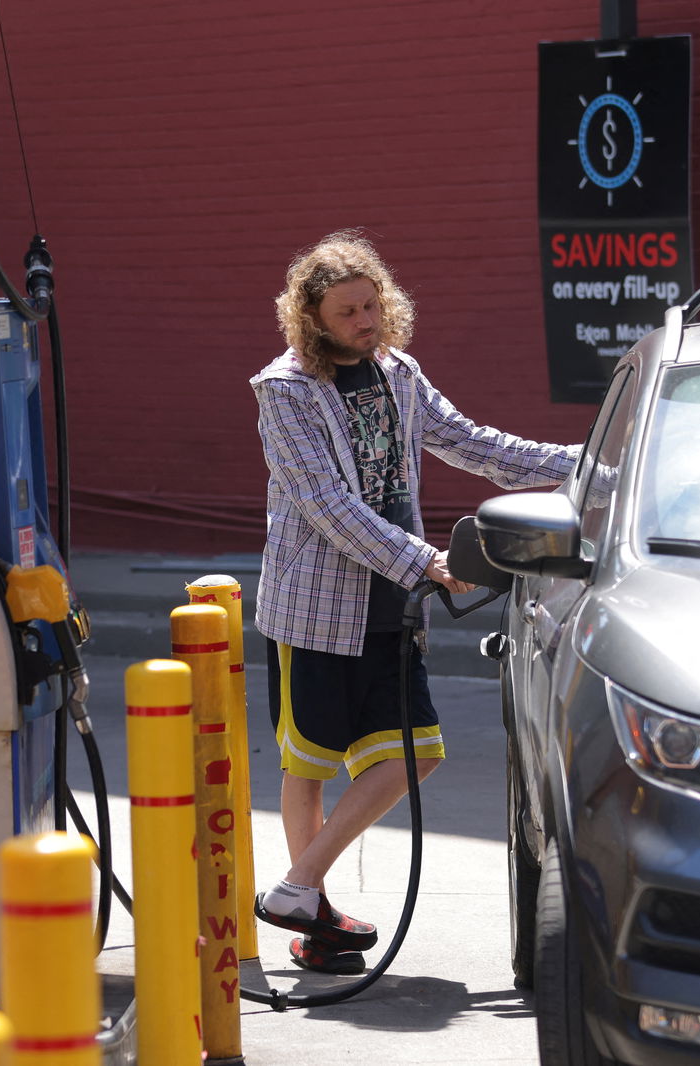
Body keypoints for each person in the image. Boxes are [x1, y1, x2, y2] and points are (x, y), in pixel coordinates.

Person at [248, 231, 580, 975]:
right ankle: (318, 923)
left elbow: (472, 443)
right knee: (309, 764)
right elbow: (325, 504)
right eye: (348, 312)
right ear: (313, 319)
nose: (366, 321)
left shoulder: (397, 372)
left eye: (371, 304)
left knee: (416, 752)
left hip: (391, 602)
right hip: (316, 606)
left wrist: (586, 462)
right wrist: (422, 560)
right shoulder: (287, 392)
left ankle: (299, 886)